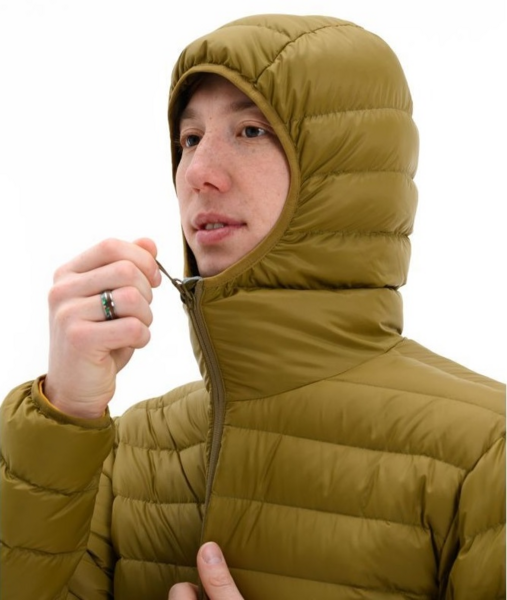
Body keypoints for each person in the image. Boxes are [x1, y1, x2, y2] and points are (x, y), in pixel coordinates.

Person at [0, 13, 504, 600]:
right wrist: (64, 415)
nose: (198, 173)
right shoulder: (130, 453)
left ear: (343, 174)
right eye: (190, 139)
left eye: (251, 131)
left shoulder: (486, 451)